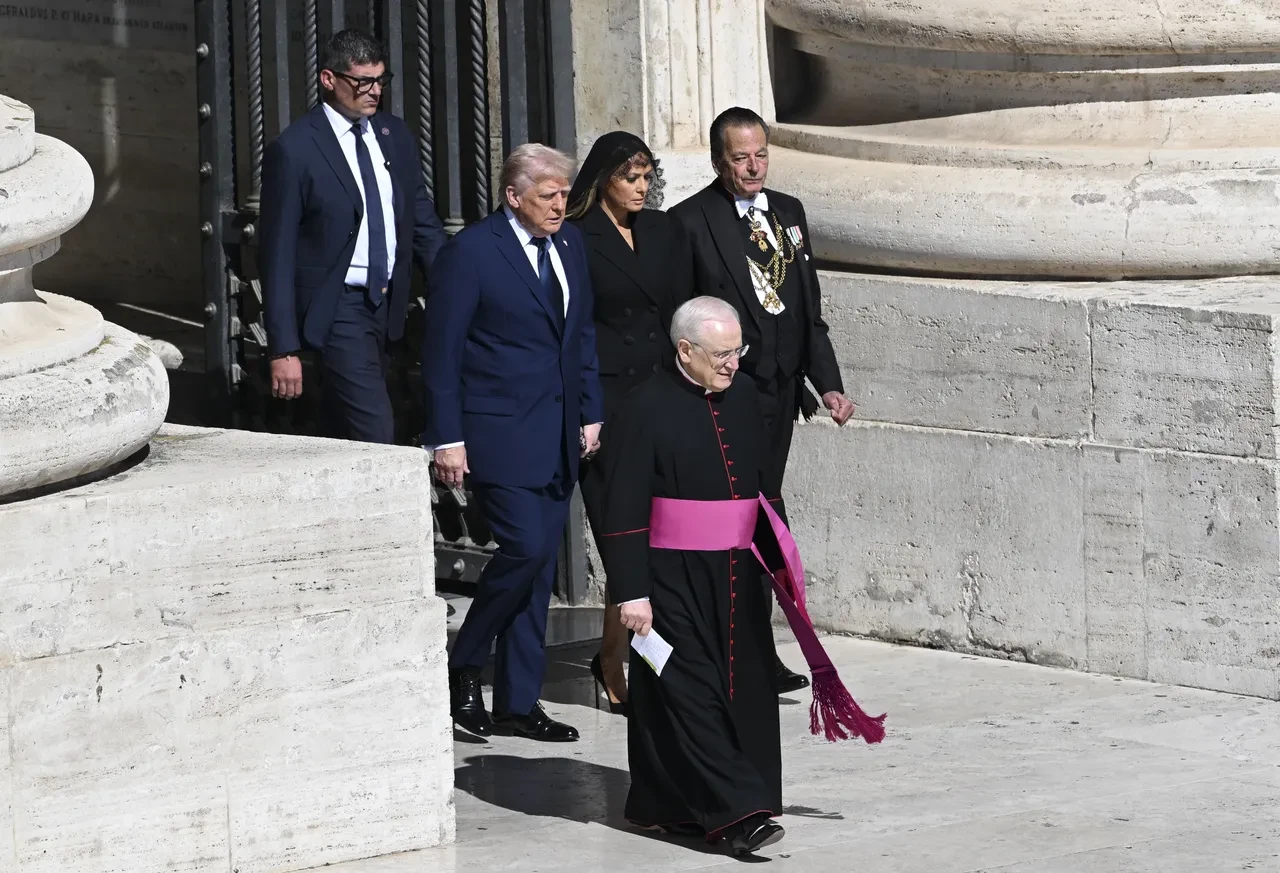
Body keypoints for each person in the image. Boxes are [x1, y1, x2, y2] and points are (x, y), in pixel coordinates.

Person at [598, 296, 883, 857]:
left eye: (738, 350)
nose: (733, 363)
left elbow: (761, 487)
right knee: (688, 688)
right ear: (685, 350)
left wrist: (778, 558)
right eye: (722, 354)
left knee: (740, 690)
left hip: (739, 570)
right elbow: (621, 507)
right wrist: (631, 591)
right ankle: (738, 812)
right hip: (670, 576)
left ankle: (670, 803)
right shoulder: (642, 408)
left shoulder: (747, 395)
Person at [669, 106, 855, 695]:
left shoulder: (789, 213)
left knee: (763, 520)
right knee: (750, 521)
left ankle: (758, 647)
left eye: (761, 155)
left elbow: (808, 310)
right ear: (719, 161)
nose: (753, 168)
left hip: (781, 395)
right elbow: (679, 322)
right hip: (729, 397)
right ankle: (740, 649)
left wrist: (828, 383)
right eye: (740, 158)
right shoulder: (690, 222)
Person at [423, 143, 604, 742]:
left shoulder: (570, 246)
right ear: (513, 196)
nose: (560, 205)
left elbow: (579, 338)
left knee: (537, 569)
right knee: (524, 549)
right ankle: (463, 664)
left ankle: (519, 702)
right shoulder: (471, 252)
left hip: (558, 434)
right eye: (549, 195)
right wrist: (446, 439)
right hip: (497, 431)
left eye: (565, 194)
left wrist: (591, 411)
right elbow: (442, 354)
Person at [259, 29, 447, 443]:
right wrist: (282, 348)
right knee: (375, 428)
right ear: (329, 79)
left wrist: (455, 285)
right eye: (363, 81)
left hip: (390, 303)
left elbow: (421, 221)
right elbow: (277, 254)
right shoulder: (295, 149)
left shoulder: (394, 136)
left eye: (381, 80)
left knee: (342, 425)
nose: (375, 91)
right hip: (339, 305)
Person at [566, 131, 693, 715]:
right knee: (623, 531)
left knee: (655, 532)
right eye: (630, 177)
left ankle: (619, 652)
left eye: (647, 177)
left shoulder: (663, 230)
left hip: (662, 397)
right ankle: (626, 658)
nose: (642, 188)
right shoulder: (577, 235)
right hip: (609, 401)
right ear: (603, 180)